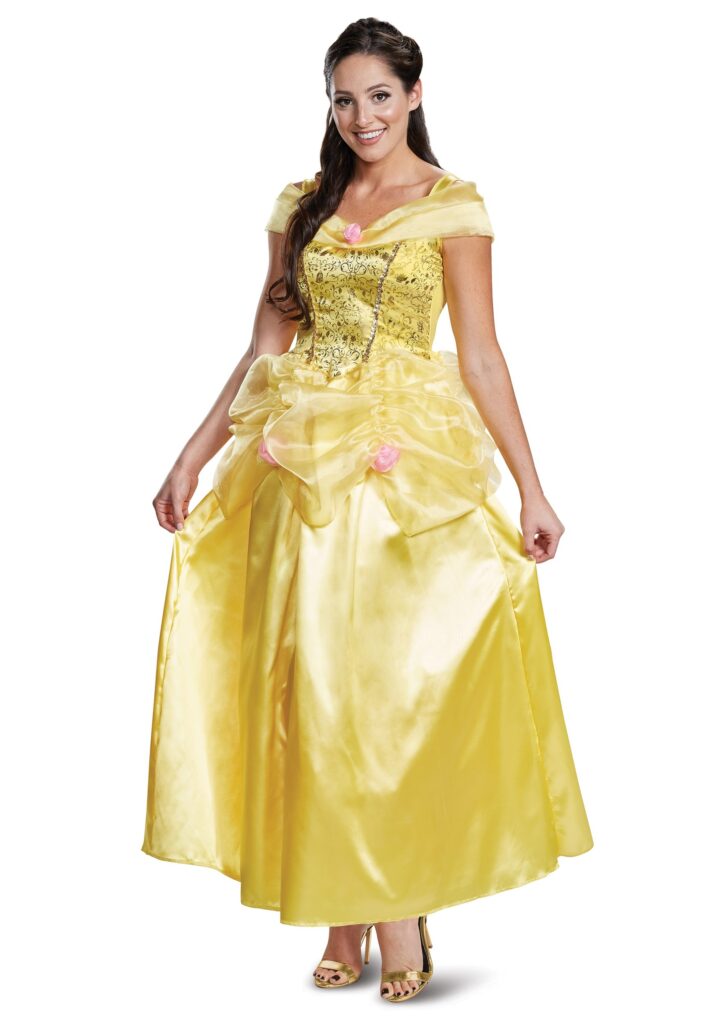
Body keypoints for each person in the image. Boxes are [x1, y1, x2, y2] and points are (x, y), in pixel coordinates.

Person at [141, 16, 594, 1004]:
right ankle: (342, 910)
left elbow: (481, 354)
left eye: (379, 96)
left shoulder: (451, 206)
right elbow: (265, 345)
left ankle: (396, 908)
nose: (361, 117)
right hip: (300, 463)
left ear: (414, 95)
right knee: (310, 688)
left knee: (381, 692)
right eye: (343, 99)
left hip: (400, 469)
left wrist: (531, 485)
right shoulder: (301, 204)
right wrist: (191, 456)